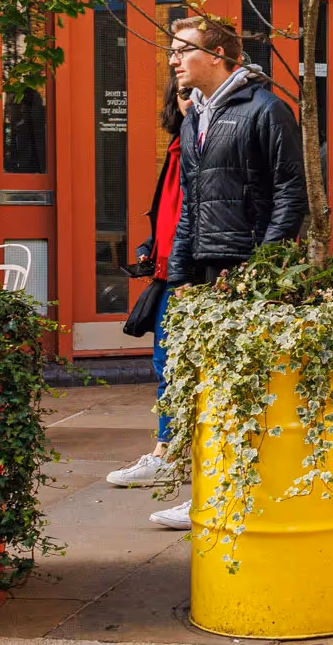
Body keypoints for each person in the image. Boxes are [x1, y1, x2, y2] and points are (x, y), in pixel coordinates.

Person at [149, 12, 308, 530]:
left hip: (249, 269)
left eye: (183, 49)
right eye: (172, 51)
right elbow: (193, 201)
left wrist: (264, 267)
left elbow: (291, 192)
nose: (173, 60)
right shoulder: (196, 115)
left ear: (216, 56)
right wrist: (178, 273)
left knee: (247, 392)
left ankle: (237, 495)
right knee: (204, 386)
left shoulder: (267, 109)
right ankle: (209, 491)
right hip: (205, 270)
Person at [107, 86, 189, 491]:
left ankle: (169, 454)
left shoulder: (204, 142)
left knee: (171, 363)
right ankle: (168, 450)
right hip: (169, 268)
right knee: (166, 362)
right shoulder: (178, 145)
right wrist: (153, 249)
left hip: (188, 273)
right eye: (182, 94)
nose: (188, 100)